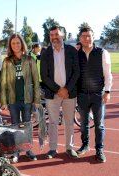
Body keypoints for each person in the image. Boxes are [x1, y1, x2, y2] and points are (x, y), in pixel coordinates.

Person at [40, 26, 80, 159]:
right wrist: (58, 90)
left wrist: (66, 89)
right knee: (52, 122)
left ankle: (69, 147)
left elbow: (76, 72)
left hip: (69, 93)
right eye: (51, 35)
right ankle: (53, 149)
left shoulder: (71, 50)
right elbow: (44, 76)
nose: (54, 37)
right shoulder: (45, 52)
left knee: (69, 121)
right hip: (53, 93)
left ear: (63, 35)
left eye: (56, 34)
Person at [0, 33, 40, 163]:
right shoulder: (7, 61)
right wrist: (4, 101)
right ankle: (16, 151)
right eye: (13, 43)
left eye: (18, 43)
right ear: (10, 46)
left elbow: (36, 80)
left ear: (22, 44)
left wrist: (36, 99)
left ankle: (28, 150)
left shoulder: (29, 59)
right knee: (15, 126)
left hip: (27, 99)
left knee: (27, 126)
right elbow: (3, 82)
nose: (16, 45)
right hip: (13, 100)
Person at [76, 27, 113, 163]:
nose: (87, 38)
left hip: (98, 95)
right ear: (80, 38)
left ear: (93, 37)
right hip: (82, 95)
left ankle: (99, 149)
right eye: (84, 36)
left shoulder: (102, 53)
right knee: (83, 124)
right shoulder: (77, 54)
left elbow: (108, 74)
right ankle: (85, 145)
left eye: (89, 36)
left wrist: (107, 91)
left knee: (99, 125)